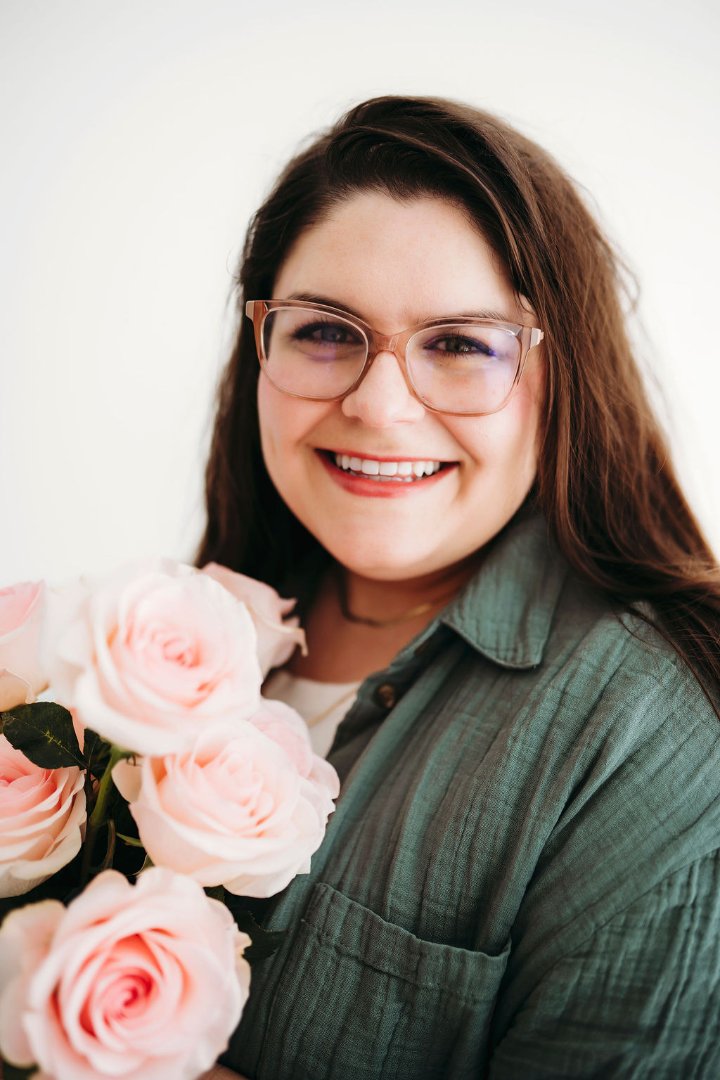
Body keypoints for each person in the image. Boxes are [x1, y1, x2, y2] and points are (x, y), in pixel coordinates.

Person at [196, 96, 720, 1079]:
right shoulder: (172, 638)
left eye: (462, 345)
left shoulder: (659, 733)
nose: (379, 406)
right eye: (324, 332)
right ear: (258, 347)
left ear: (565, 380)